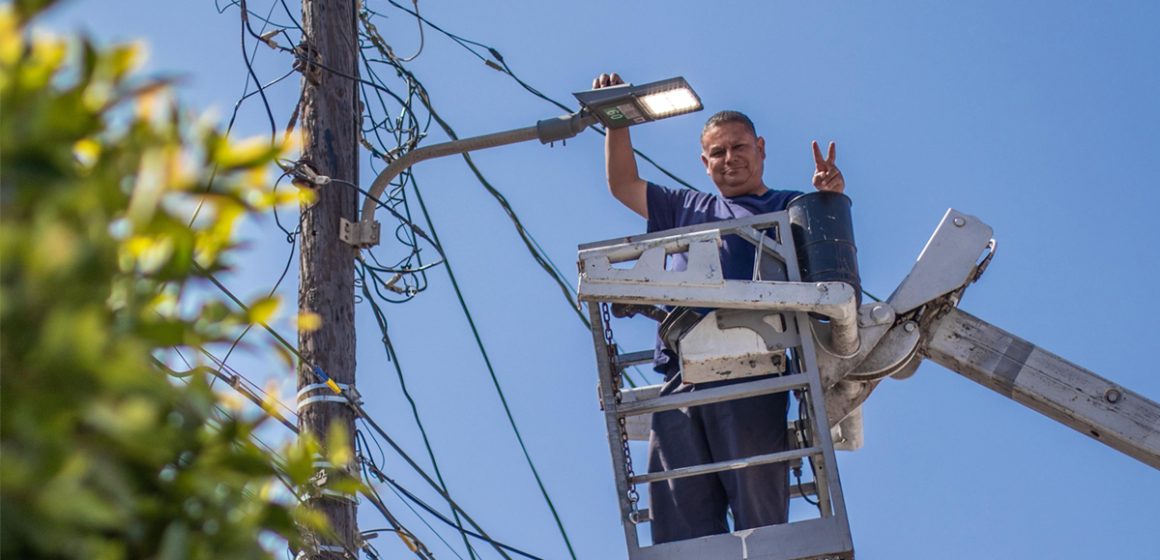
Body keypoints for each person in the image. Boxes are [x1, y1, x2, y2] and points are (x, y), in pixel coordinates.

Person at [592, 72, 847, 544]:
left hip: (755, 373)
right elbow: (623, 182)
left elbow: (830, 271)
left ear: (761, 148)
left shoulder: (789, 205)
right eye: (718, 152)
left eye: (739, 147)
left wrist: (826, 200)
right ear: (704, 162)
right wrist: (615, 117)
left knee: (761, 523)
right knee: (680, 523)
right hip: (683, 377)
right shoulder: (684, 206)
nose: (729, 159)